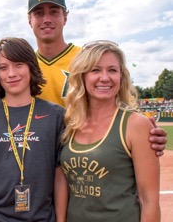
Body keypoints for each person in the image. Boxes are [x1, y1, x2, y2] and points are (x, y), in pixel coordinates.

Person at [27, 0, 167, 155]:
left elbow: (124, 102)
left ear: (65, 17)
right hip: (39, 155)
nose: (46, 19)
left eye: (54, 12)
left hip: (85, 153)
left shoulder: (89, 59)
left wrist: (148, 134)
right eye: (39, 13)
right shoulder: (23, 67)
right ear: (29, 20)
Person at [0, 37, 66, 221]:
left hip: (42, 217)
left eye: (18, 65)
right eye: (3, 67)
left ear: (31, 67)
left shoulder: (56, 115)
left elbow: (59, 175)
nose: (11, 73)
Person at [58, 40, 160, 221]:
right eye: (95, 70)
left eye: (112, 70)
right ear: (82, 76)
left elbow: (149, 200)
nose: (105, 77)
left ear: (121, 77)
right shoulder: (70, 124)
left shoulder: (136, 124)